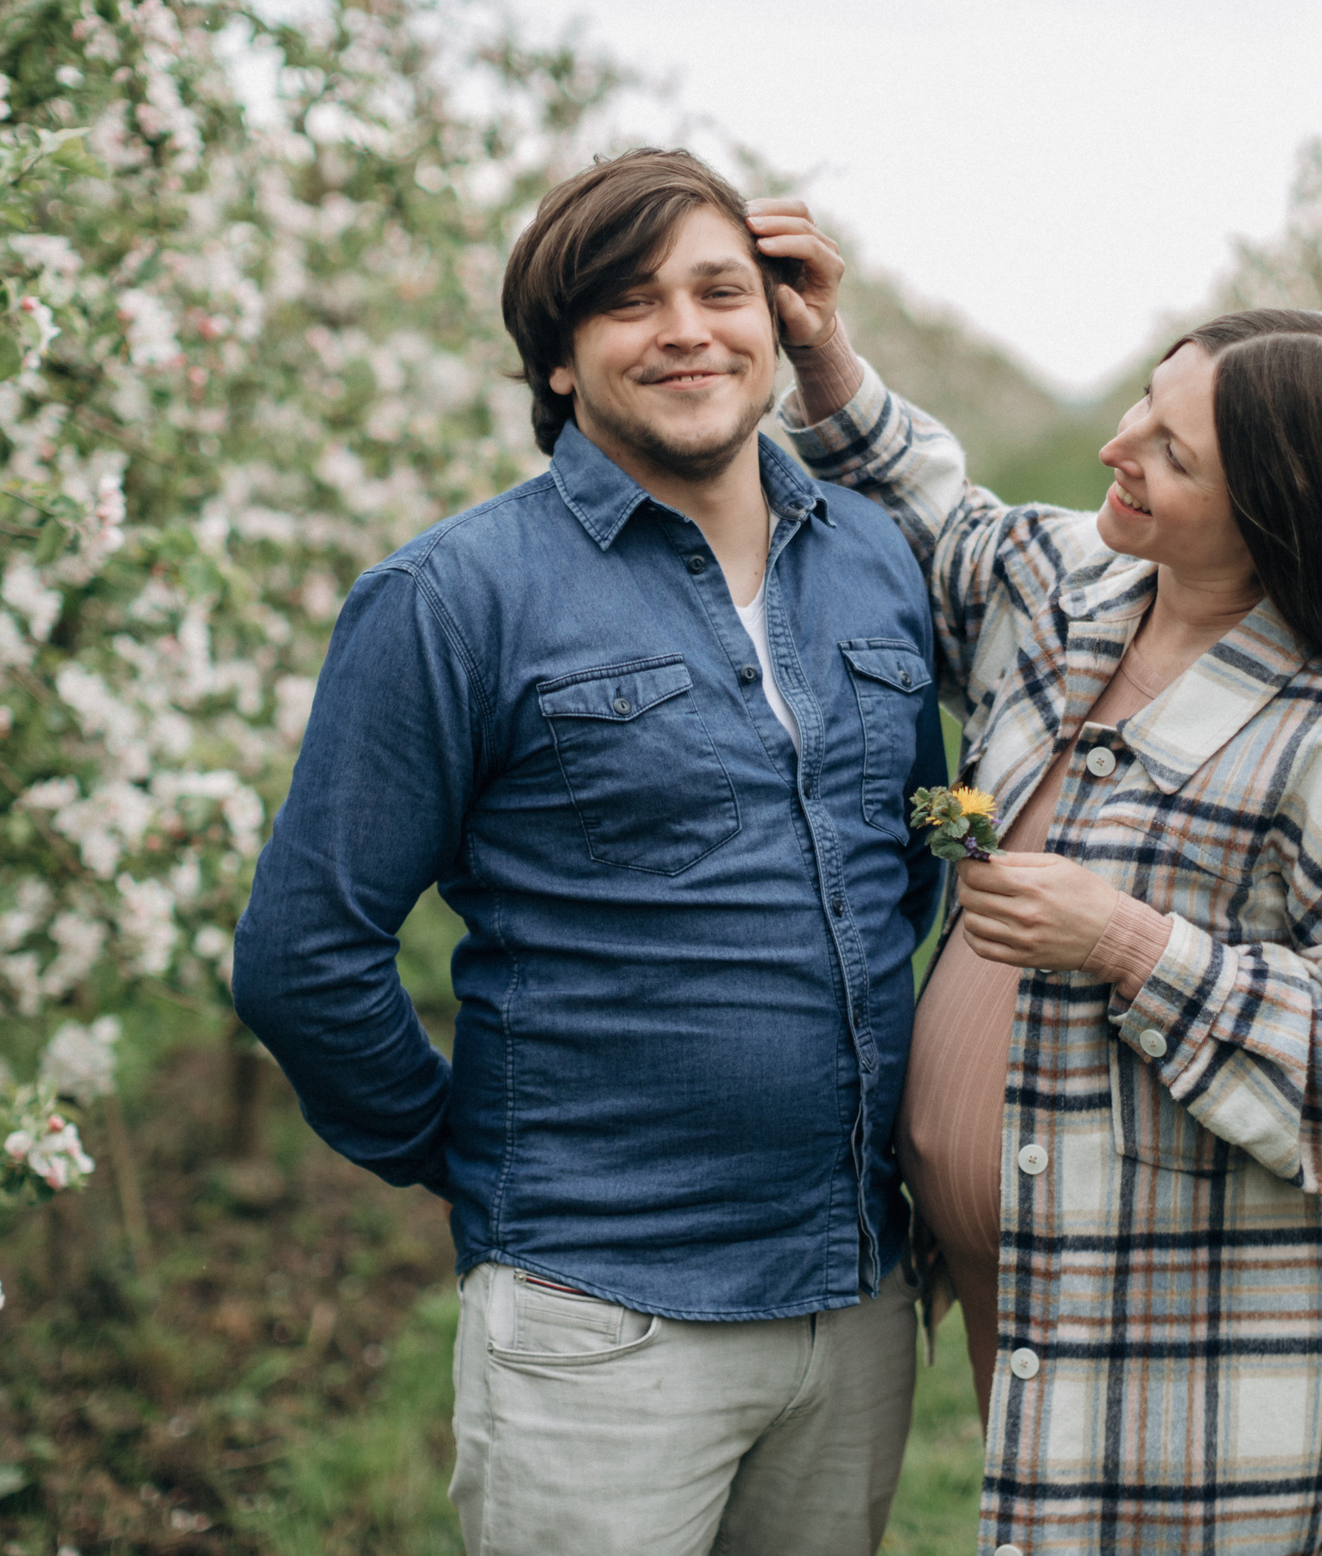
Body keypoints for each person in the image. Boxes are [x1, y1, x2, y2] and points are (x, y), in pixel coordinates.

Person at [230, 150, 947, 1556]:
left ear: (777, 320)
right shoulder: (455, 597)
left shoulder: (873, 558)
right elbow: (303, 955)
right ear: (559, 361)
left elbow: (901, 872)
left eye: (719, 289)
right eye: (628, 304)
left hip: (854, 1294)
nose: (685, 329)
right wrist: (470, 1157)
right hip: (603, 1316)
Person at [749, 201, 1322, 1556]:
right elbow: (930, 529)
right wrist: (823, 356)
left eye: (1168, 452)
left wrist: (1136, 944)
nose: (1113, 450)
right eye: (1141, 406)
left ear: (1276, 510)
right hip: (1033, 1283)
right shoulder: (1077, 588)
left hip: (1185, 1339)